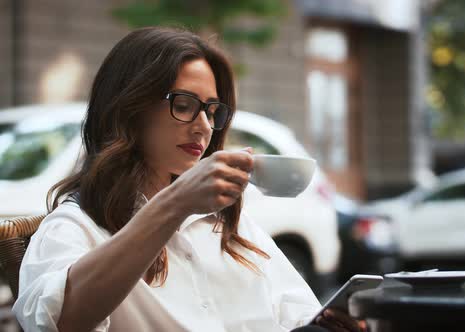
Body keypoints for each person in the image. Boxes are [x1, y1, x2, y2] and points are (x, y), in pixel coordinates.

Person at [12, 27, 365, 332]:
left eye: (213, 110)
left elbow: (295, 309)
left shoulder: (228, 225)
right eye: (184, 104)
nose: (205, 126)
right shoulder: (75, 227)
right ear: (129, 107)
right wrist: (177, 202)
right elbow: (60, 321)